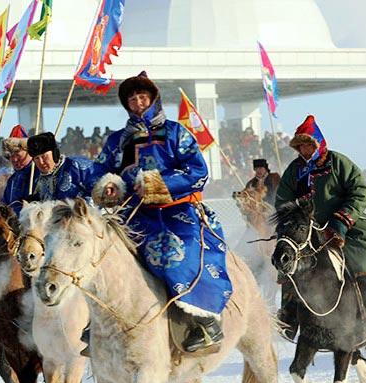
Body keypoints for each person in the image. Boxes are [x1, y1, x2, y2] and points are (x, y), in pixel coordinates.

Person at [91, 71, 231, 353]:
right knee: (97, 254)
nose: (138, 103)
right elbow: (101, 170)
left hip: (174, 211)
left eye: (142, 97)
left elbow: (198, 172)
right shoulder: (118, 140)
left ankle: (202, 321)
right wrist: (109, 186)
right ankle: (94, 325)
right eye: (132, 99)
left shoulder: (177, 133)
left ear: (153, 99)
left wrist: (156, 183)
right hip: (132, 213)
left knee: (172, 254)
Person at [275, 115, 366, 343]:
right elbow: (282, 201)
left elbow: (360, 191)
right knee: (287, 260)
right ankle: (288, 316)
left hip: (345, 223)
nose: (304, 150)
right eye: (300, 147)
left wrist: (341, 220)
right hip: (308, 229)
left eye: (308, 145)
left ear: (318, 143)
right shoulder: (294, 170)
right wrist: (295, 215)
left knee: (363, 257)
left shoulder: (338, 162)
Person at [26, 132, 96, 201]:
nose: (41, 162)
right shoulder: (41, 180)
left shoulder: (76, 165)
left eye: (44, 156)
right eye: (37, 158)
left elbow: (99, 190)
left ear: (54, 153)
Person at [1, 125, 40, 214]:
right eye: (11, 155)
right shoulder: (12, 180)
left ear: (29, 152)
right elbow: (5, 205)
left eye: (18, 154)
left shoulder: (40, 174)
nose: (14, 159)